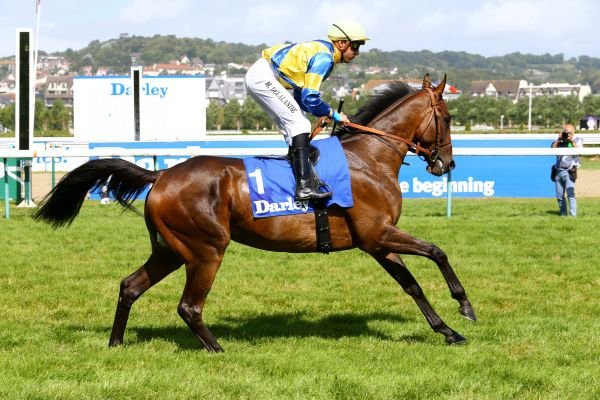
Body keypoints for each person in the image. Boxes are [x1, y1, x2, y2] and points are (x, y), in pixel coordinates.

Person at [245, 19, 369, 201]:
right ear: (342, 44)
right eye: (355, 46)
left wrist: (326, 113)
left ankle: (299, 168)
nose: (357, 52)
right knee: (300, 124)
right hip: (263, 77)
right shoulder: (324, 58)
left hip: (262, 76)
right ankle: (304, 187)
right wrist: (333, 114)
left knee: (297, 124)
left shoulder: (324, 52)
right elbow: (310, 97)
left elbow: (301, 97)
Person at [551, 124, 583, 216]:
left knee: (570, 194)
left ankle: (573, 215)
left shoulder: (577, 140)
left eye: (569, 132)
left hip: (570, 170)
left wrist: (571, 140)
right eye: (565, 132)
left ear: (573, 132)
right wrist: (559, 139)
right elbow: (552, 148)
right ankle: (563, 214)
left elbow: (579, 151)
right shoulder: (559, 140)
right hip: (558, 170)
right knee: (559, 195)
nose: (567, 134)